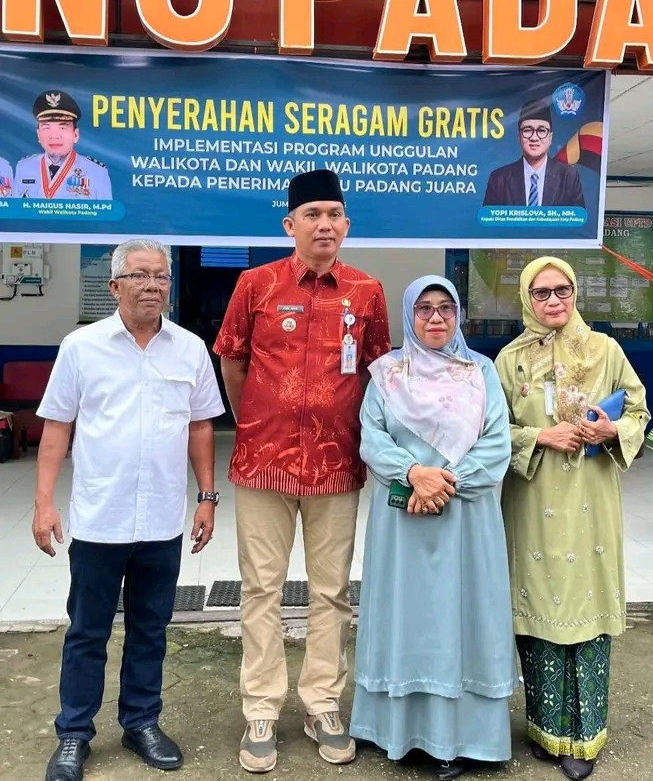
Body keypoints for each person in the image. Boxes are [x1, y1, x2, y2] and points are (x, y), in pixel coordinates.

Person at [213, 168, 391, 774]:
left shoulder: (366, 291)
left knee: (331, 591)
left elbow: (376, 372)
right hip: (263, 462)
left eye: (333, 214)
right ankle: (261, 707)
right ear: (290, 225)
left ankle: (322, 704)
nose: (324, 225)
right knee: (261, 589)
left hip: (337, 465)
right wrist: (256, 420)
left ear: (347, 224)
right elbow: (233, 359)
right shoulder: (255, 283)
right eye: (312, 214)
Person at [33, 239, 225, 781]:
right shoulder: (81, 347)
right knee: (87, 631)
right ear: (115, 285)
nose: (152, 286)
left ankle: (141, 722)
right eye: (140, 276)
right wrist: (44, 502)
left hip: (161, 520)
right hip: (100, 518)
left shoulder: (190, 349)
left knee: (151, 627)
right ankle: (74, 733)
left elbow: (201, 426)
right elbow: (57, 427)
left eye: (161, 277)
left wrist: (207, 497)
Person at [350, 276, 516, 781]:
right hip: (404, 523)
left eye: (446, 307)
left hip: (465, 520)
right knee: (407, 618)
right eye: (424, 308)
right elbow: (371, 438)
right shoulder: (386, 374)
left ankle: (462, 738)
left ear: (459, 314)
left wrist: (442, 484)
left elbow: (497, 444)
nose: (436, 317)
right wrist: (413, 475)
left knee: (465, 619)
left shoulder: (480, 372)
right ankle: (399, 732)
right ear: (409, 315)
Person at [495, 256, 650, 781]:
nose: (553, 301)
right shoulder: (510, 360)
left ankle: (585, 738)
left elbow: (639, 411)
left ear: (575, 292)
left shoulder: (606, 350)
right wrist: (540, 435)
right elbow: (491, 431)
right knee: (538, 606)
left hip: (590, 499)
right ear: (526, 299)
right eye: (541, 293)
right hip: (533, 500)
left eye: (562, 290)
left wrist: (612, 431)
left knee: (587, 605)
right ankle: (545, 730)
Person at [483, 100, 585, 207]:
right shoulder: (499, 179)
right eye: (527, 130)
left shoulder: (568, 177)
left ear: (550, 137)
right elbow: (488, 217)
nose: (534, 138)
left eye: (541, 131)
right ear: (519, 136)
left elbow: (579, 217)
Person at [13, 90, 113, 200]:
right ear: (38, 134)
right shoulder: (24, 167)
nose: (54, 136)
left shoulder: (97, 172)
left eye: (62, 128)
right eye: (47, 127)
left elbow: (106, 211)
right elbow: (15, 209)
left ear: (75, 135)